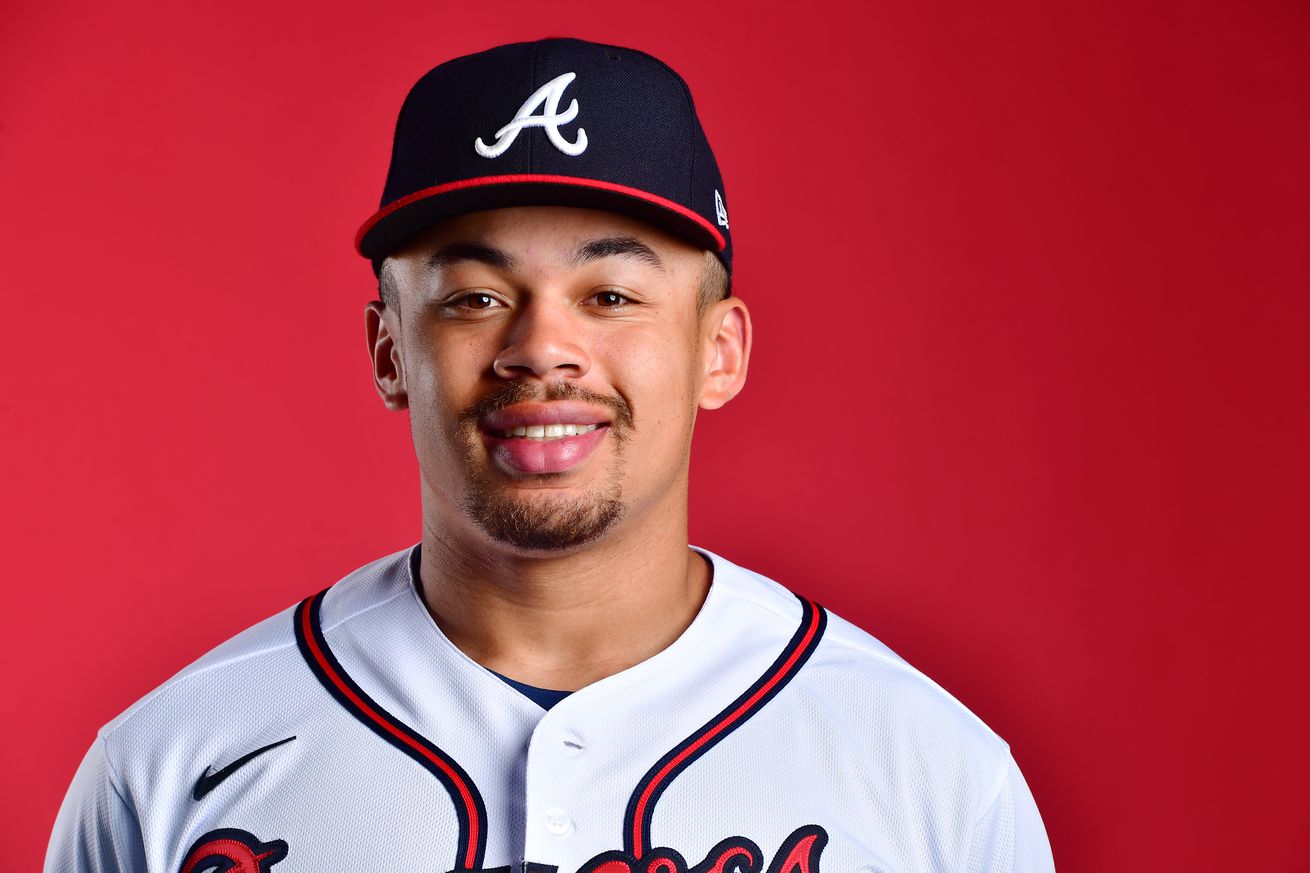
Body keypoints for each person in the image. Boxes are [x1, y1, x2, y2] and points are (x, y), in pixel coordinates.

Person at [46, 37, 1055, 873]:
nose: (539, 347)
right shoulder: (171, 766)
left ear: (720, 350)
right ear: (390, 352)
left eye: (609, 296)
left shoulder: (932, 773)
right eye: (475, 298)